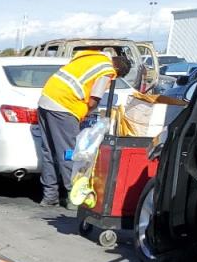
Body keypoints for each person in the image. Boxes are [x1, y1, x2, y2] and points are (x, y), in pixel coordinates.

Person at [33, 52, 132, 207]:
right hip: (64, 106)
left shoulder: (91, 57)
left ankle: (49, 196)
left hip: (46, 99)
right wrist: (87, 113)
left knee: (49, 151)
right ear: (118, 71)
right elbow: (94, 99)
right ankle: (73, 196)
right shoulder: (107, 71)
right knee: (70, 153)